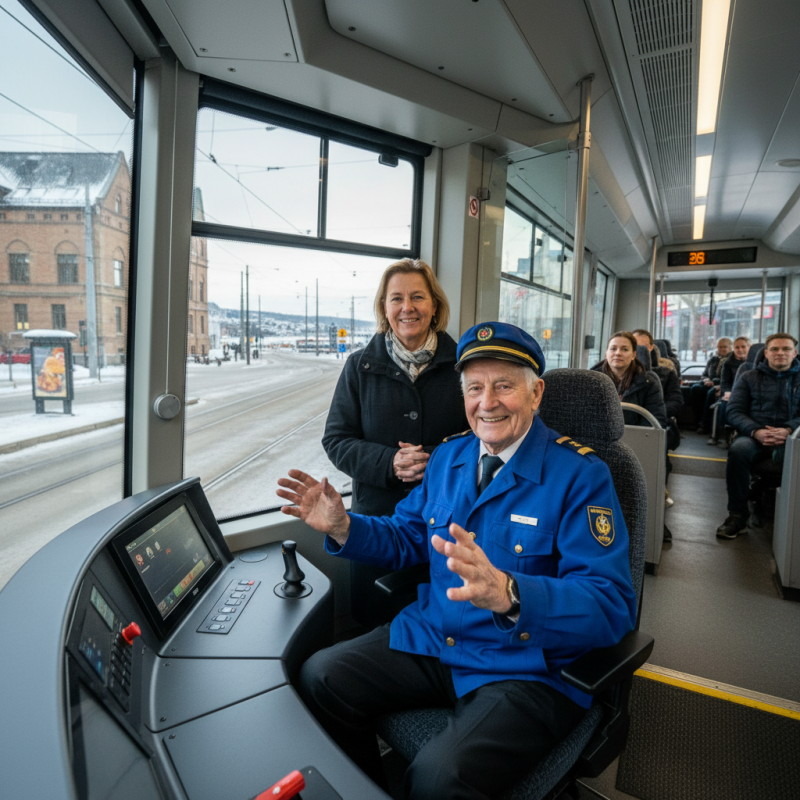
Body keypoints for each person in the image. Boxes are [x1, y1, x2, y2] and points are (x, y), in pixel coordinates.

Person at [278, 322, 636, 800]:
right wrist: (344, 527)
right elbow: (408, 535)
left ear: (535, 394)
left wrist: (511, 594)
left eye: (504, 386)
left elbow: (610, 604)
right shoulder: (449, 457)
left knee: (438, 777)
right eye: (474, 388)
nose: (487, 403)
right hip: (437, 636)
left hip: (527, 664)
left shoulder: (581, 476)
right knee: (321, 677)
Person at [322, 258, 467, 627]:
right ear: (384, 309)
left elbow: (483, 437)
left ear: (434, 305)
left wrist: (433, 460)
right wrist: (389, 463)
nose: (407, 307)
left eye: (417, 297)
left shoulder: (464, 366)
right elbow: (336, 439)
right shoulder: (359, 366)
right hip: (375, 521)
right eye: (396, 298)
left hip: (448, 522)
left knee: (444, 628)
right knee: (373, 628)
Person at [716, 333, 800, 539]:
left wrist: (789, 429)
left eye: (786, 349)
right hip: (754, 436)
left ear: (794, 353)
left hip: (794, 437)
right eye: (775, 349)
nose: (780, 353)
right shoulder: (749, 377)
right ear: (766, 353)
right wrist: (756, 431)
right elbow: (734, 411)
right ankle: (738, 515)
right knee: (738, 451)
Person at [591, 332, 668, 428]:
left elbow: (655, 421)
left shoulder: (648, 383)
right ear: (606, 354)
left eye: (625, 349)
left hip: (635, 435)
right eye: (613, 349)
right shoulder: (591, 381)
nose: (618, 353)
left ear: (633, 355)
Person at [713, 336, 751, 445]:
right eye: (737, 347)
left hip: (750, 393)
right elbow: (725, 382)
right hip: (733, 392)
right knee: (724, 403)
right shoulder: (728, 363)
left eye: (743, 347)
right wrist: (728, 392)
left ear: (749, 347)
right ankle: (727, 432)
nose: (740, 350)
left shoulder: (757, 362)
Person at [691, 337, 733, 433]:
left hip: (720, 385)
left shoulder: (731, 361)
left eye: (725, 347)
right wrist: (706, 379)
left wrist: (714, 383)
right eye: (720, 347)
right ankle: (696, 421)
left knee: (710, 392)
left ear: (730, 348)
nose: (722, 349)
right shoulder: (713, 359)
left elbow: (727, 378)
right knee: (695, 388)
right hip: (709, 383)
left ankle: (705, 424)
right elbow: (705, 374)